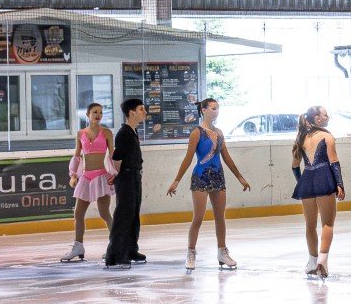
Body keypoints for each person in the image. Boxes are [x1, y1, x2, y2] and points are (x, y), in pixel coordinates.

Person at [166, 98, 250, 271]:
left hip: (218, 177)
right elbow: (188, 158)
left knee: (220, 217)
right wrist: (176, 181)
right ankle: (191, 252)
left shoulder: (219, 133)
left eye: (217, 108)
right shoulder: (197, 132)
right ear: (203, 110)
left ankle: (222, 251)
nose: (216, 111)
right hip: (200, 177)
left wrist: (240, 177)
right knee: (198, 217)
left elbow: (226, 157)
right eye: (213, 108)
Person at [291, 105, 344, 279]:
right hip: (324, 178)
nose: (328, 117)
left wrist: (303, 183)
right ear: (318, 119)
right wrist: (340, 184)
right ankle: (323, 260)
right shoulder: (327, 136)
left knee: (310, 225)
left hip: (307, 179)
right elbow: (334, 161)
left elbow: (295, 166)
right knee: (328, 223)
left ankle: (311, 262)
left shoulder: (301, 139)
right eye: (325, 115)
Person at [61, 102, 112, 263]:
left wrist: (114, 174)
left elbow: (113, 156)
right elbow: (77, 155)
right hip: (86, 177)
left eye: (101, 112)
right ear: (88, 114)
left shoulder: (107, 132)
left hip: (101, 177)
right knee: (78, 213)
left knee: (104, 213)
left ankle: (116, 244)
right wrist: (74, 175)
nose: (98, 115)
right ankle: (78, 246)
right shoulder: (80, 133)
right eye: (95, 112)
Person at [104, 98, 148, 268]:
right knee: (123, 216)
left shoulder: (132, 131)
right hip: (126, 177)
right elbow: (117, 158)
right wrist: (117, 175)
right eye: (141, 109)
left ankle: (130, 249)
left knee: (133, 214)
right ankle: (115, 254)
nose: (145, 112)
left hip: (134, 177)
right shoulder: (124, 133)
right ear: (131, 113)